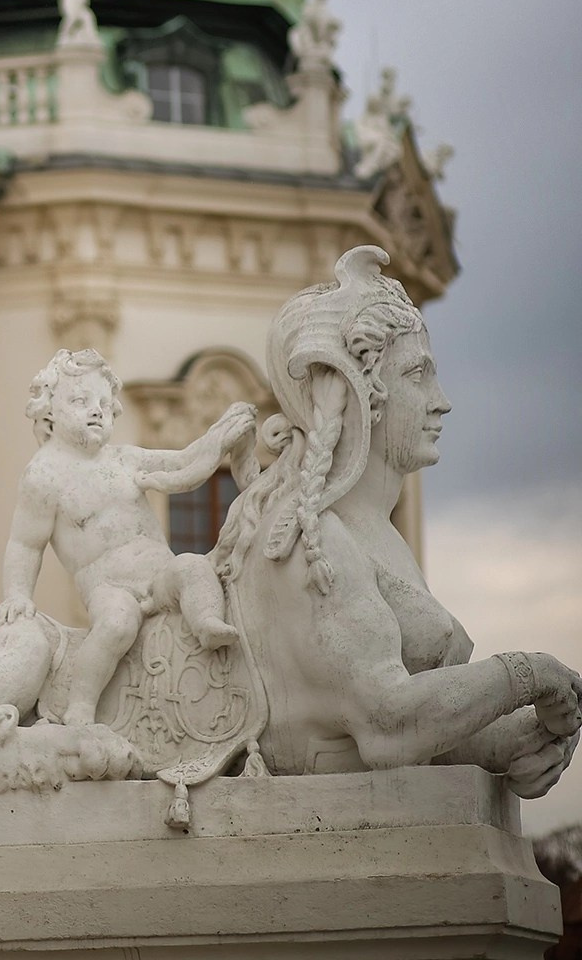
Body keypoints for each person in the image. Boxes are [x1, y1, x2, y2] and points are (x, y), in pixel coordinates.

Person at [217, 246, 581, 791]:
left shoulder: (375, 534)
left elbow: (409, 724)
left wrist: (515, 740)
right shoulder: (309, 539)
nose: (442, 401)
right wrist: (528, 674)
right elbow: (385, 725)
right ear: (361, 394)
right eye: (418, 375)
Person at [0, 346, 258, 725]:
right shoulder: (44, 477)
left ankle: (207, 625)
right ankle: (81, 706)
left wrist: (220, 436)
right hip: (109, 587)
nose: (97, 410)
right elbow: (25, 544)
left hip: (158, 573)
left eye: (104, 402)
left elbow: (185, 464)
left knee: (192, 568)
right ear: (49, 409)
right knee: (115, 625)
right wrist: (18, 595)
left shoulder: (124, 460)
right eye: (81, 400)